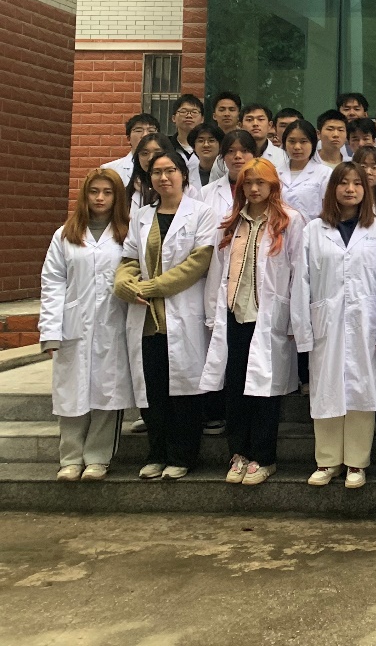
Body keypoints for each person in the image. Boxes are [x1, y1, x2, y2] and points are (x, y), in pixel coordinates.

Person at [113, 149, 216, 479]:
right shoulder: (142, 215)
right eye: (156, 172)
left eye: (170, 170)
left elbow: (197, 263)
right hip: (147, 320)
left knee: (184, 393)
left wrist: (151, 287)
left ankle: (182, 456)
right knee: (153, 391)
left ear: (183, 174)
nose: (163, 177)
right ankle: (156, 454)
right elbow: (129, 259)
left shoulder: (202, 213)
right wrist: (124, 282)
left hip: (183, 313)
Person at [200, 159, 302, 486]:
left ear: (273, 185)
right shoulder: (231, 223)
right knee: (235, 388)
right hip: (234, 316)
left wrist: (295, 322)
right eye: (248, 183)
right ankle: (239, 454)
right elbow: (217, 272)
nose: (254, 189)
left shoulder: (289, 221)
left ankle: (263, 457)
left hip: (269, 319)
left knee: (264, 391)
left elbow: (299, 274)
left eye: (261, 182)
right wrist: (213, 315)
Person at [292, 163, 376, 489]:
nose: (350, 189)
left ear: (366, 190)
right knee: (326, 390)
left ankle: (357, 463)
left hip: (366, 322)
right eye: (343, 183)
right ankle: (327, 461)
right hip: (327, 321)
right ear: (332, 189)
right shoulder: (313, 230)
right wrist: (302, 329)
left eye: (357, 183)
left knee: (362, 390)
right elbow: (301, 282)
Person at [40, 169, 134, 482]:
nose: (100, 198)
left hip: (113, 323)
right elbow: (53, 283)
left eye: (107, 192)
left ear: (117, 197)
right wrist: (50, 331)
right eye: (94, 191)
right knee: (71, 393)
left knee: (108, 392)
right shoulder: (65, 234)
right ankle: (70, 458)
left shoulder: (127, 233)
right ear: (85, 195)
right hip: (73, 325)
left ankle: (97, 458)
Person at [200, 129, 257, 227]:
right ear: (223, 157)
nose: (238, 156)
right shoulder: (206, 192)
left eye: (244, 150)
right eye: (231, 151)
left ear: (254, 155)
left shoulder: (265, 189)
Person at [279, 119, 332, 222]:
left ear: (313, 144)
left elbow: (329, 210)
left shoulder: (325, 173)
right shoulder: (275, 173)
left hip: (312, 229)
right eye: (292, 141)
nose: (297, 147)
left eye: (303, 141)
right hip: (279, 229)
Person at [101, 113, 160, 186]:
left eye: (151, 131)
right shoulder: (110, 169)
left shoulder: (169, 168)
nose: (145, 135)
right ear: (129, 138)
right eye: (138, 131)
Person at [126, 132, 171, 209]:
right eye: (145, 153)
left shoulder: (183, 189)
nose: (150, 158)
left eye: (157, 153)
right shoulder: (128, 191)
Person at [170, 95, 205, 169]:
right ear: (173, 118)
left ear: (202, 119)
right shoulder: (166, 146)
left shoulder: (208, 146)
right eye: (183, 111)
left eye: (194, 112)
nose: (189, 116)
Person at [190, 123, 224, 190]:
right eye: (200, 141)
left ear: (220, 146)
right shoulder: (187, 175)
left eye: (211, 141)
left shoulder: (228, 173)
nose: (206, 145)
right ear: (194, 146)